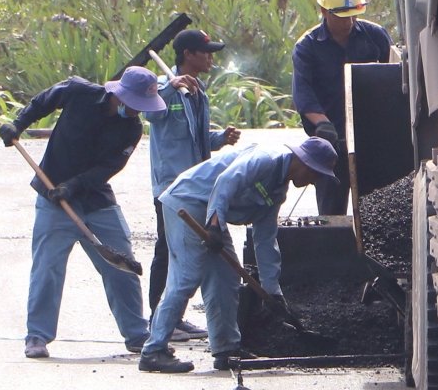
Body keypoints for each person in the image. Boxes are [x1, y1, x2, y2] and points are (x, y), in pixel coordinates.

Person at [0, 67, 166, 360]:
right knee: (47, 268)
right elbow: (44, 101)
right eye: (137, 103)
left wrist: (73, 186)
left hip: (96, 201)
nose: (138, 111)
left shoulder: (131, 129)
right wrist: (19, 124)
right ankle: (37, 335)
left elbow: (106, 169)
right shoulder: (79, 92)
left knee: (121, 265)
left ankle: (137, 334)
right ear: (120, 96)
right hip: (53, 201)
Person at [139, 137, 339, 373]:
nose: (314, 182)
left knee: (225, 279)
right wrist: (214, 225)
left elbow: (265, 239)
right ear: (304, 162)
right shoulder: (267, 159)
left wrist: (272, 291)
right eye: (316, 174)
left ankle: (226, 349)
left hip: (212, 215)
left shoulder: (277, 191)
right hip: (189, 202)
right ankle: (153, 351)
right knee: (187, 275)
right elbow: (226, 182)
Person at [143, 28, 242, 334]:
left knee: (191, 249)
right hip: (171, 188)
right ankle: (159, 319)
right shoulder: (163, 86)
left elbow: (197, 139)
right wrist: (170, 88)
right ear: (188, 54)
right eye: (206, 52)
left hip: (197, 187)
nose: (211, 58)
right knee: (167, 250)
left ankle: (175, 317)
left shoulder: (198, 90)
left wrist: (220, 139)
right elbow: (151, 114)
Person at [292, 0, 393, 215]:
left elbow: (391, 78)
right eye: (341, 17)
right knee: (331, 211)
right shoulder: (307, 47)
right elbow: (303, 93)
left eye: (353, 16)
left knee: (376, 212)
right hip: (330, 143)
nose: (349, 23)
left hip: (370, 140)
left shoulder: (376, 37)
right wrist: (323, 124)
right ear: (324, 11)